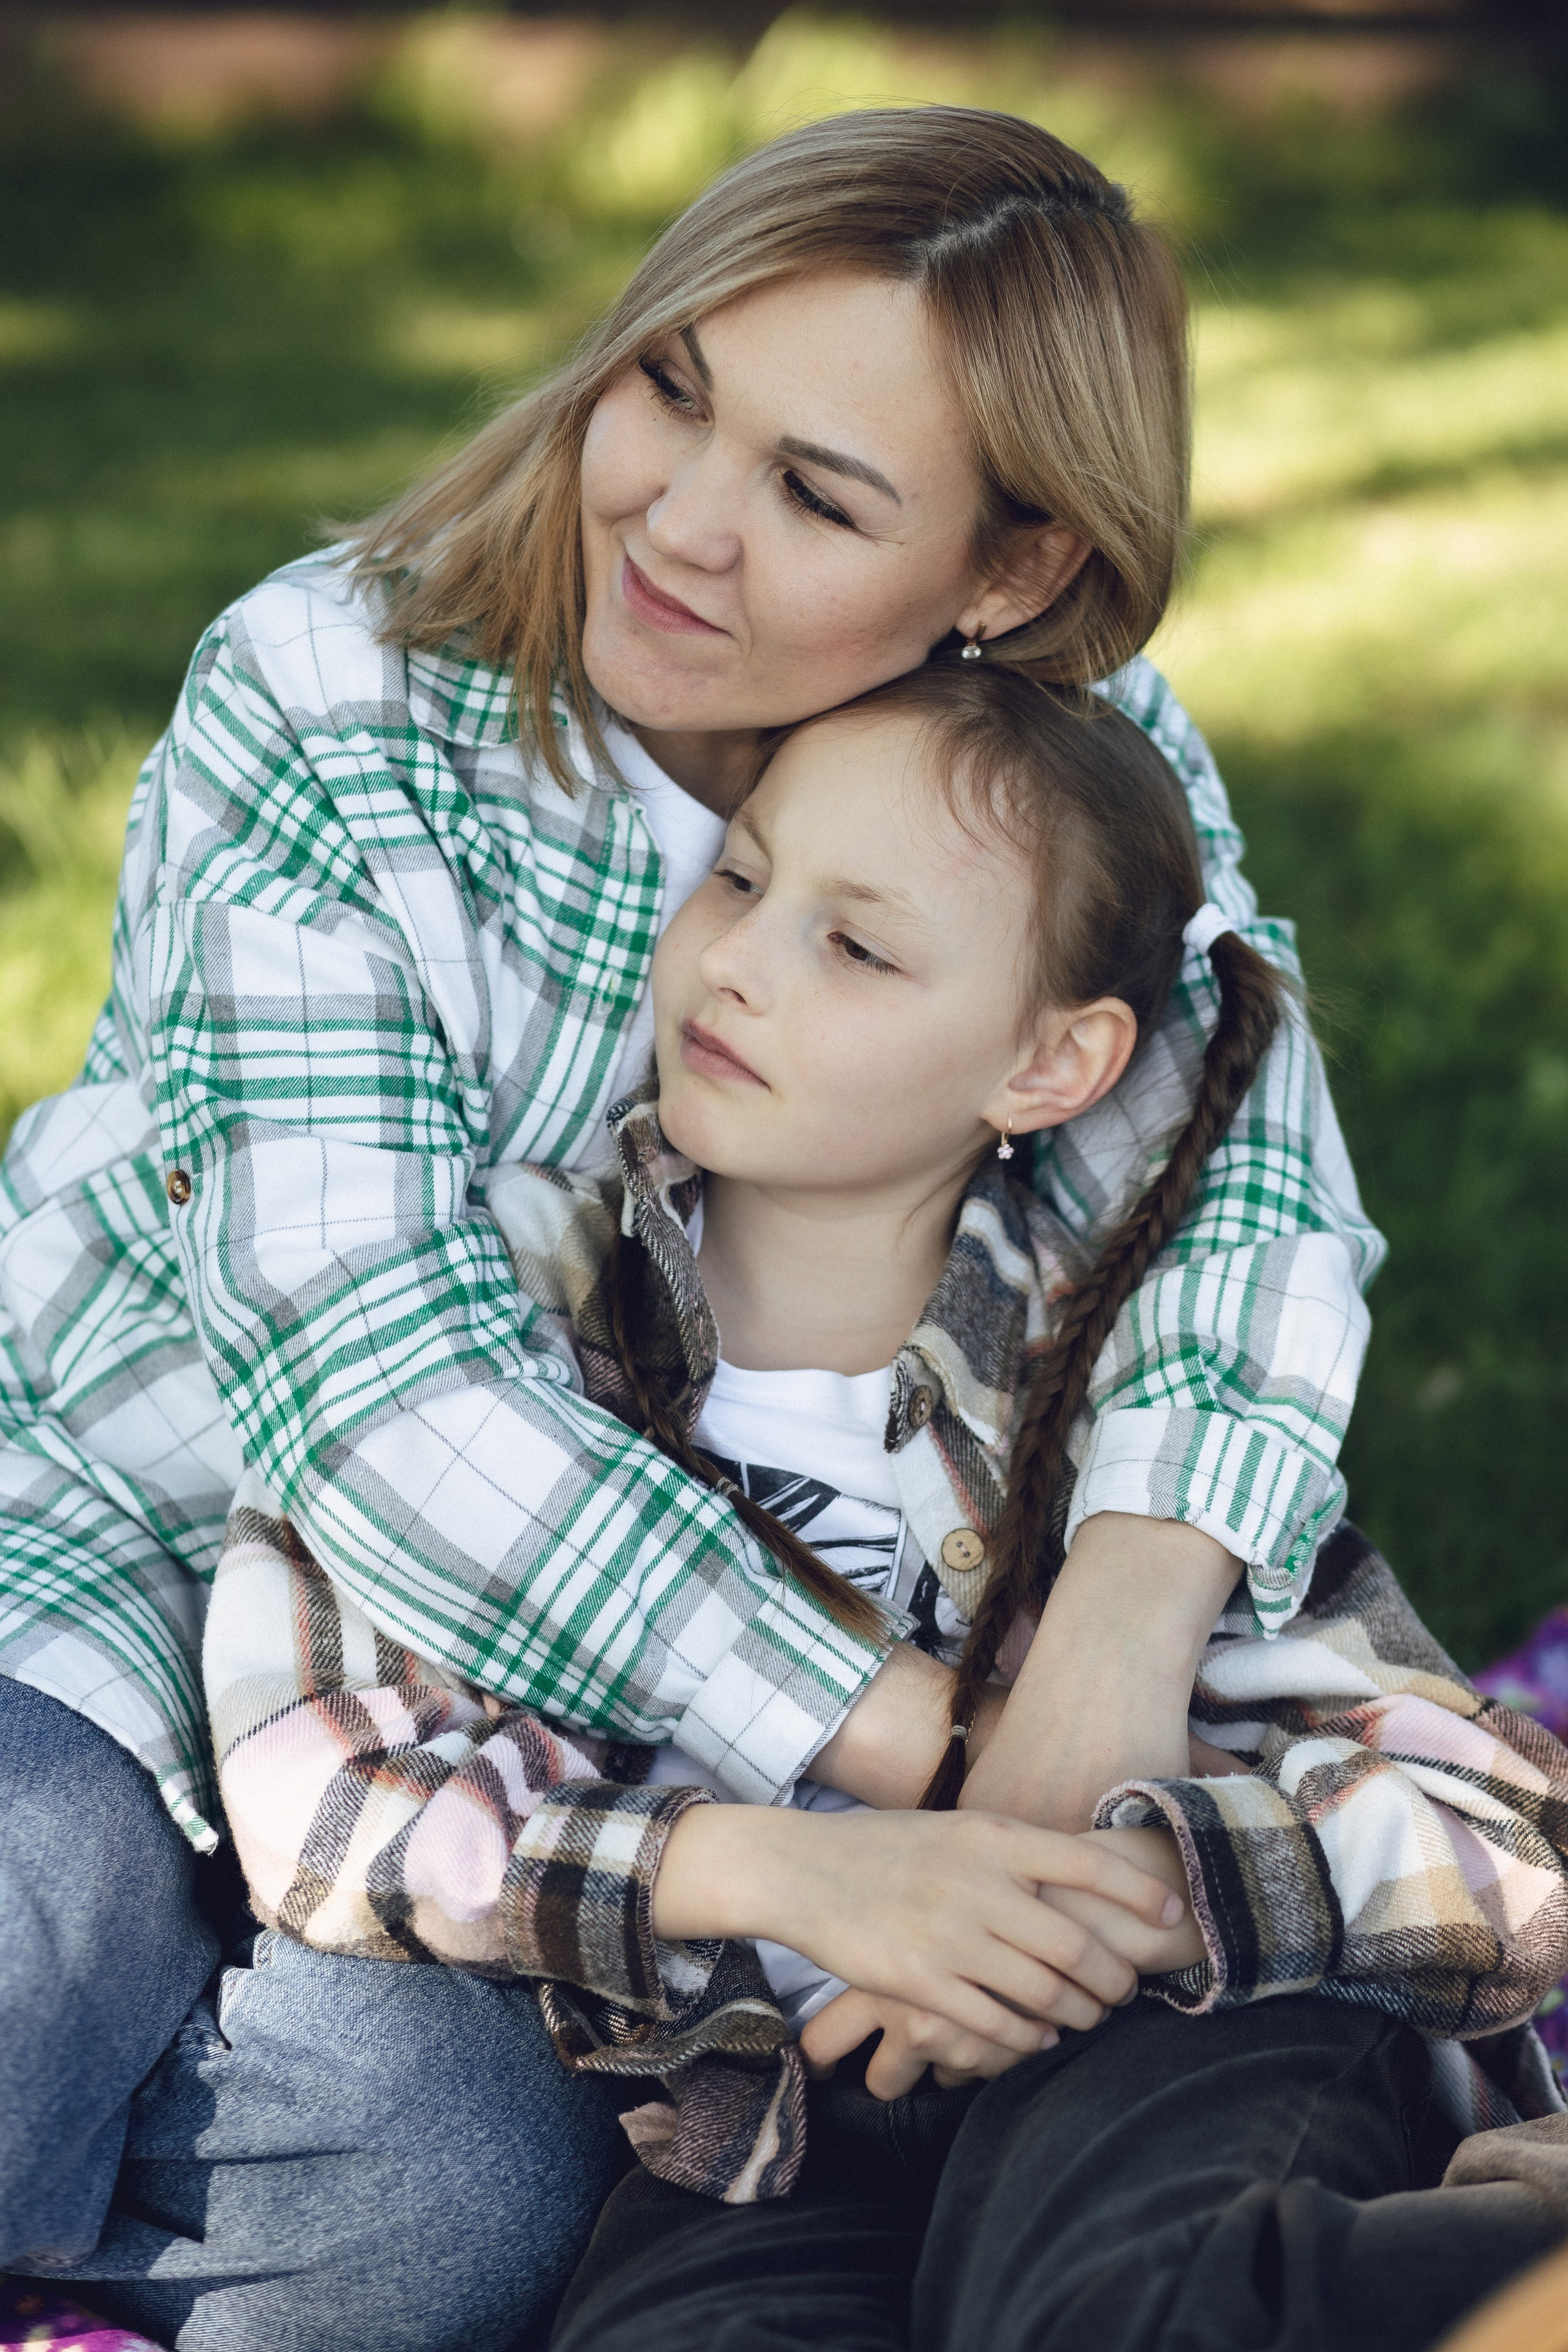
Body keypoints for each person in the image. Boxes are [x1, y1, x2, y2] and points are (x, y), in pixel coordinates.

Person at [0, 107, 1377, 2348]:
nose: (677, 517)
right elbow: (377, 1393)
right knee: (26, 1916)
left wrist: (1120, 1638)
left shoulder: (1061, 758)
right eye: (670, 389)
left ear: (1010, 578)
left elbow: (1245, 1179)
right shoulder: (333, 695)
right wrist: (926, 1747)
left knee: (458, 2201)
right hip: (127, 1562)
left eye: (821, 496)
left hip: (521, 1751)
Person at [205, 665, 1568, 2345]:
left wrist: (1095, 1908)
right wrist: (783, 1878)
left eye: (854, 947)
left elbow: (1500, 1849)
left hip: (1166, 2024)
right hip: (774, 2116)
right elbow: (326, 1805)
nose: (739, 966)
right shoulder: (496, 1328)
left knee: (1110, 2319)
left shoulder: (1119, 1397)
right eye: (743, 875)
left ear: (1051, 1063)